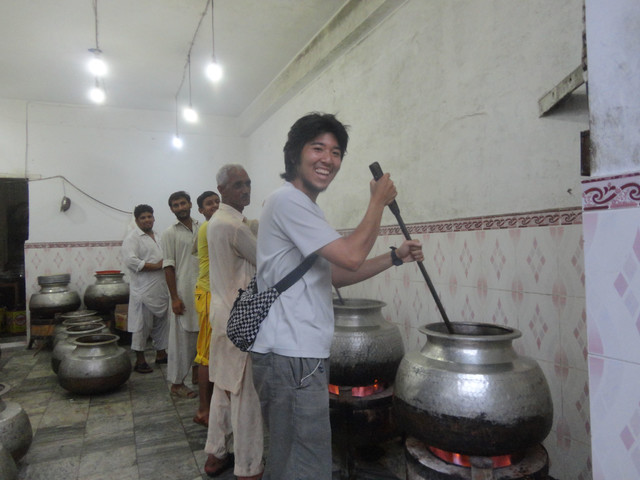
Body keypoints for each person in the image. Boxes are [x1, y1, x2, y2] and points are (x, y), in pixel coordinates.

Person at [250, 113, 424, 480]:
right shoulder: (287, 201)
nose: (328, 159)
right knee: (303, 467)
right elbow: (351, 255)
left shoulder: (305, 207)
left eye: (336, 152)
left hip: (298, 355)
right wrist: (377, 201)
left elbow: (337, 274)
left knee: (296, 461)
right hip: (291, 355)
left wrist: (394, 257)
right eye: (318, 148)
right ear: (295, 153)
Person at [203, 164, 263, 480]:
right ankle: (248, 468)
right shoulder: (234, 227)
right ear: (221, 189)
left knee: (224, 387)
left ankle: (216, 454)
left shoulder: (217, 221)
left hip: (222, 313)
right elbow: (266, 260)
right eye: (238, 185)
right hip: (241, 319)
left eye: (248, 183)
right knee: (245, 393)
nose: (245, 190)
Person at [161, 191, 200, 398]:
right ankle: (177, 384)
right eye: (175, 205)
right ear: (171, 209)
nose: (180, 208)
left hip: (203, 291)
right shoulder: (170, 233)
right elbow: (168, 267)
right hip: (183, 292)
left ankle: (197, 376)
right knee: (182, 340)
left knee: (202, 335)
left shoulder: (202, 227)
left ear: (190, 204)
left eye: (183, 203)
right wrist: (175, 298)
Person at [121, 204, 169, 373]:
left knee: (162, 324)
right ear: (137, 220)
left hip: (161, 289)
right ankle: (140, 361)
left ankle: (161, 354)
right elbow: (131, 261)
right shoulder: (132, 238)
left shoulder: (158, 236)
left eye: (149, 216)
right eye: (143, 217)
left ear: (154, 218)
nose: (147, 220)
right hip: (143, 291)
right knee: (141, 327)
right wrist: (156, 266)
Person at [193, 190, 220, 427]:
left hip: (215, 293)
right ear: (201, 211)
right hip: (208, 293)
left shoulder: (217, 226)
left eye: (217, 202)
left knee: (214, 352)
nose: (215, 206)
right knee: (206, 355)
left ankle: (214, 406)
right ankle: (203, 409)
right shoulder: (208, 227)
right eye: (209, 204)